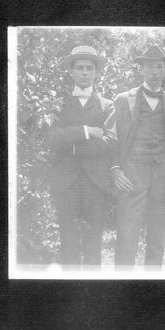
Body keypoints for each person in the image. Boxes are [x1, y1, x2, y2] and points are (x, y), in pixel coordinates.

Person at [108, 45, 165, 270]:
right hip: (132, 174)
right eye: (149, 66)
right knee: (127, 233)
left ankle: (153, 286)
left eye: (159, 66)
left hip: (162, 175)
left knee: (157, 235)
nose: (154, 71)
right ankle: (121, 287)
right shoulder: (123, 99)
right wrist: (115, 168)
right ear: (142, 69)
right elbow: (111, 135)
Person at [45, 45, 115, 269]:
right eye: (80, 68)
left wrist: (73, 148)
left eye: (89, 68)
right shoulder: (60, 104)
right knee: (68, 241)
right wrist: (86, 131)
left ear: (96, 72)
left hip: (96, 183)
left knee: (94, 242)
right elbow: (52, 138)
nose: (84, 72)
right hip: (66, 182)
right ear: (71, 71)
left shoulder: (107, 105)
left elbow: (109, 141)